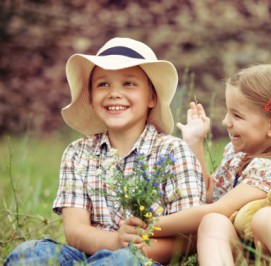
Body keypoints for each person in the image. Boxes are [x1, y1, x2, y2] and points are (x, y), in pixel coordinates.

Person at [3, 37, 205, 265]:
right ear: (90, 97)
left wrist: (127, 252)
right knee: (29, 253)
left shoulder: (172, 151)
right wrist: (116, 241)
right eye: (103, 84)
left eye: (128, 83)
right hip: (87, 256)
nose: (114, 93)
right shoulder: (77, 153)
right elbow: (76, 231)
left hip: (143, 260)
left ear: (151, 97)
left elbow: (188, 237)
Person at [151, 64, 271, 265]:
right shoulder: (237, 155)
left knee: (264, 218)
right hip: (250, 256)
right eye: (228, 112)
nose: (226, 122)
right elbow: (208, 193)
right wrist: (194, 142)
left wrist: (153, 225)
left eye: (237, 115)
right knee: (213, 222)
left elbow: (218, 207)